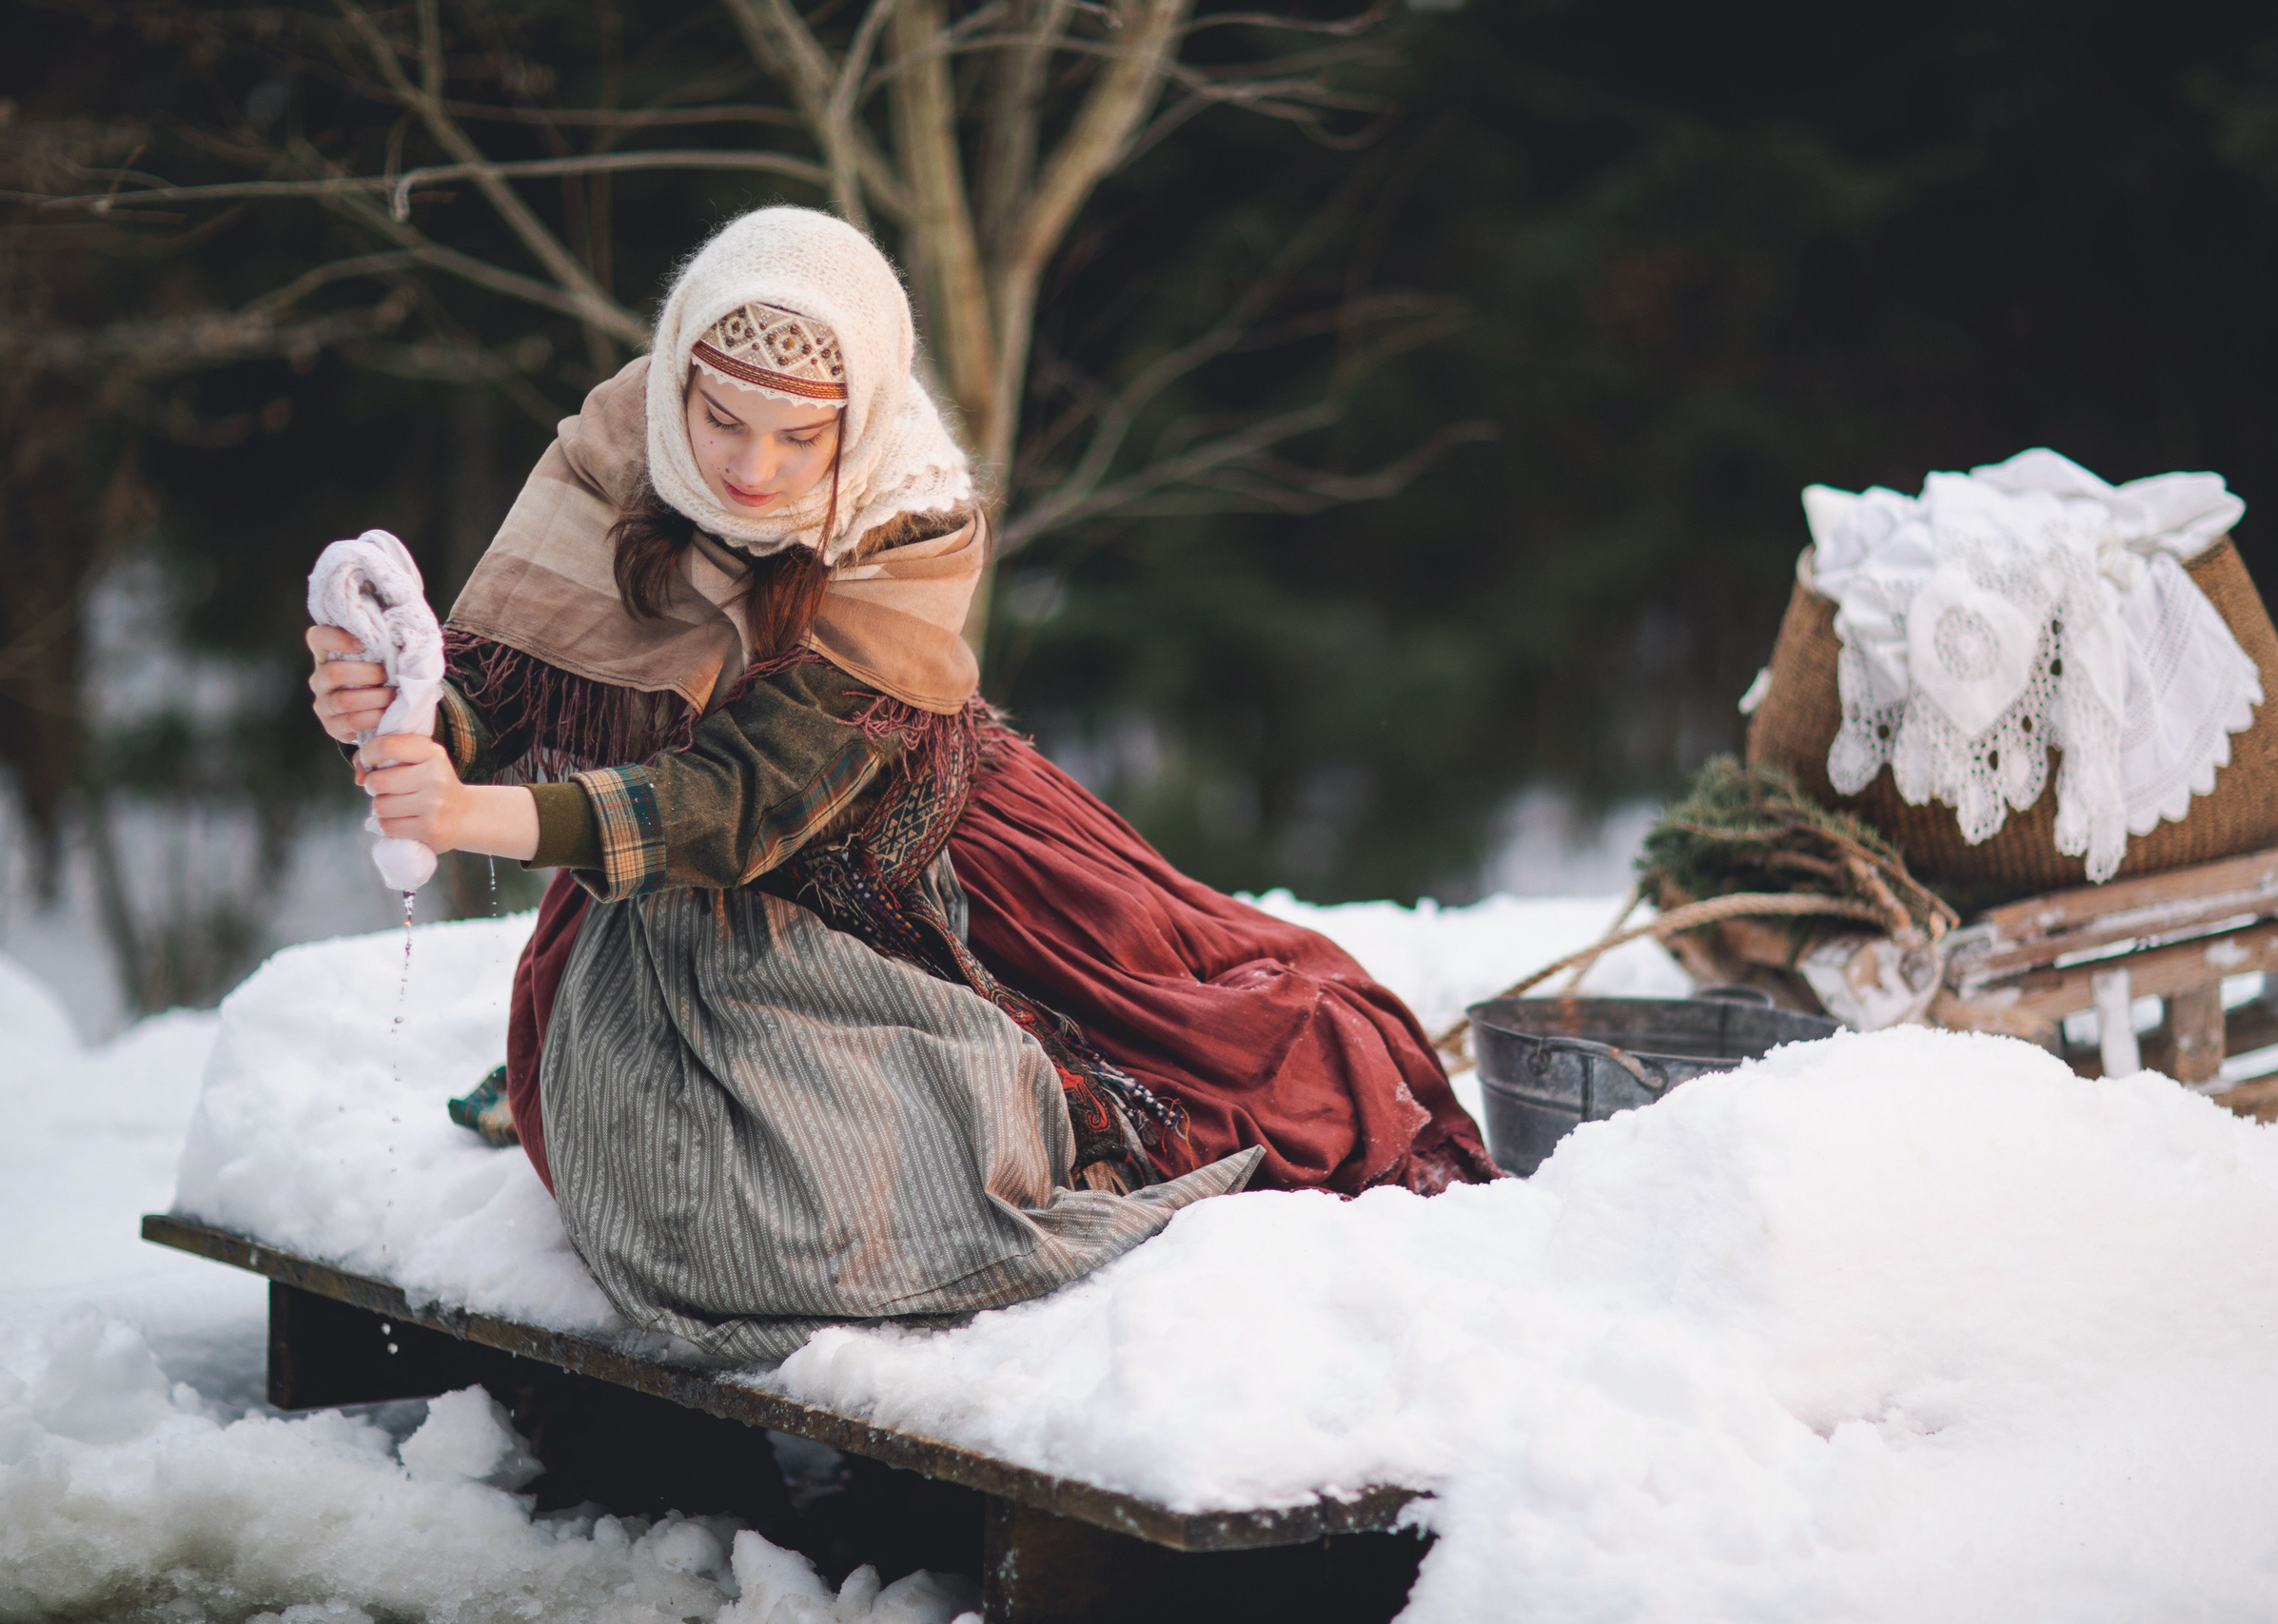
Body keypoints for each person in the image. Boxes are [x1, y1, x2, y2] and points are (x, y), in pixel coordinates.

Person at [308, 207, 1494, 1357]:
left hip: (915, 861)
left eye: (798, 438)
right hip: (653, 873)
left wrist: (474, 818)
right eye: (723, 421)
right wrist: (412, 713)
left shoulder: (909, 518)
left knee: (1240, 1067)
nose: (752, 467)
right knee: (669, 1182)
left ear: (857, 419)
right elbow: (510, 670)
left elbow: (742, 797)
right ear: (678, 381)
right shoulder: (623, 435)